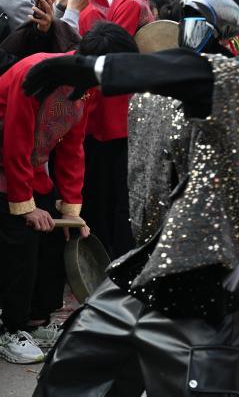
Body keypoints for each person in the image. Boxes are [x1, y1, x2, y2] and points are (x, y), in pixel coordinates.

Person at [28, 0, 239, 396]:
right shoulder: (148, 98)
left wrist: (100, 68)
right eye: (186, 18)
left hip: (207, 284)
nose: (193, 28)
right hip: (144, 267)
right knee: (71, 370)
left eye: (202, 20)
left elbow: (198, 75)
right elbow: (145, 187)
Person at [0, 22, 139, 365]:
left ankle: (36, 321)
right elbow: (15, 138)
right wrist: (24, 207)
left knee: (55, 236)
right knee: (21, 239)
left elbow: (73, 146)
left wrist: (71, 209)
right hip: (6, 162)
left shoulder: (87, 86)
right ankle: (10, 328)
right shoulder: (38, 74)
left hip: (30, 167)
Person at [82, 0, 167, 258]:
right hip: (119, 121)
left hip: (123, 118)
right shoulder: (132, 2)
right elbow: (114, 62)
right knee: (122, 201)